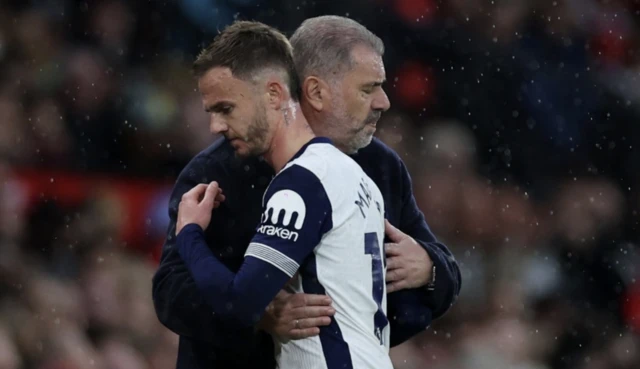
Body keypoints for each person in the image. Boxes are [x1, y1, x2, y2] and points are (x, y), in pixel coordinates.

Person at [152, 15, 461, 369]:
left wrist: (431, 269)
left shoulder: (377, 168)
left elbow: (242, 300)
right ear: (315, 91)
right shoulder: (214, 173)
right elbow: (171, 292)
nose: (384, 101)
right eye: (368, 88)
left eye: (225, 109)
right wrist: (260, 320)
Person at [173, 21, 393, 369]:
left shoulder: (302, 183)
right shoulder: (355, 175)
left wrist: (189, 234)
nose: (216, 126)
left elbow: (240, 304)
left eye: (226, 108)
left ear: (274, 94)